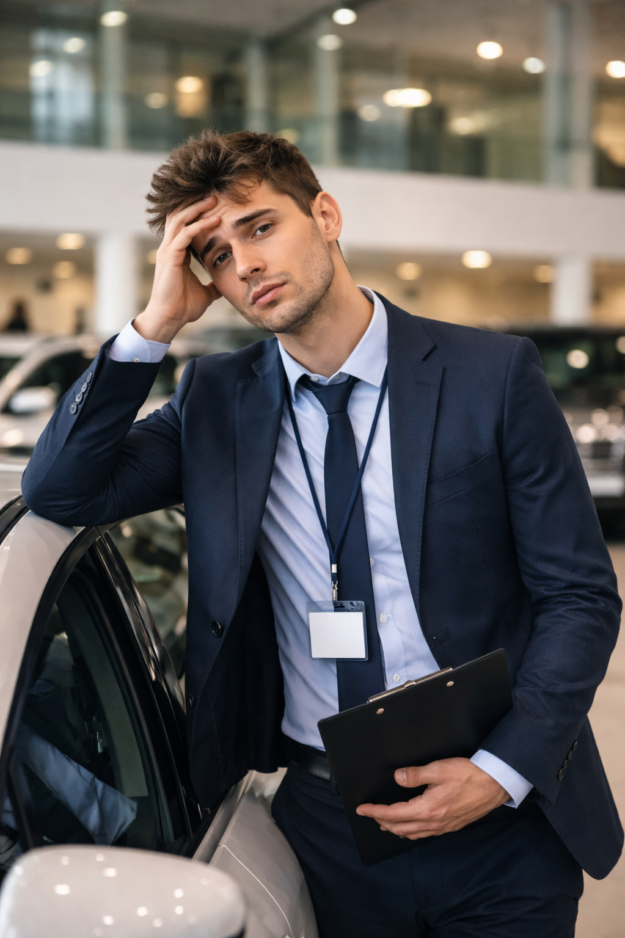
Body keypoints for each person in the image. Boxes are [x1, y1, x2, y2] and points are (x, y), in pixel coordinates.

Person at [22, 131, 622, 937]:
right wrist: (154, 322)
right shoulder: (215, 400)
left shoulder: (491, 376)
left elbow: (579, 597)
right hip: (327, 824)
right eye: (216, 255)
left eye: (260, 227)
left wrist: (502, 768)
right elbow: (60, 488)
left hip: (498, 814)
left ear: (326, 216)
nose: (246, 265)